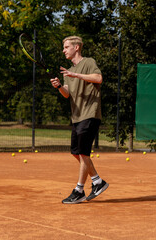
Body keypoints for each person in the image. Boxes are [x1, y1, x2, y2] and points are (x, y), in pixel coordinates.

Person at [50, 36, 109, 204]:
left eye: (67, 47)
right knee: (76, 153)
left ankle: (79, 190)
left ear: (77, 47)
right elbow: (67, 94)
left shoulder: (89, 62)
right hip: (77, 116)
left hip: (90, 113)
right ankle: (97, 181)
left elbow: (98, 79)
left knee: (83, 153)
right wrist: (59, 86)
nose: (64, 50)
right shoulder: (68, 71)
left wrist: (75, 74)